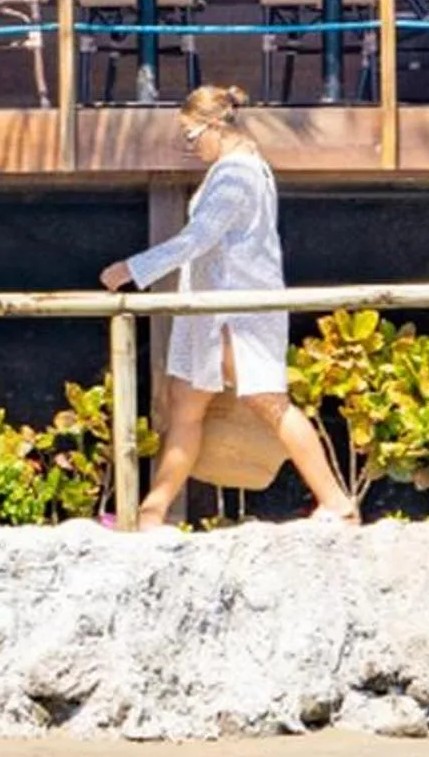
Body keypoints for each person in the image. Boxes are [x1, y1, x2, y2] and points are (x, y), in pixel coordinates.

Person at [98, 86, 358, 526]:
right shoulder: (236, 169)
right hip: (215, 308)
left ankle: (336, 500)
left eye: (191, 135)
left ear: (215, 126)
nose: (190, 146)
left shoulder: (237, 174)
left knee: (268, 402)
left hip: (238, 311)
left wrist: (131, 269)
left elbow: (198, 238)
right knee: (186, 405)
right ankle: (151, 511)